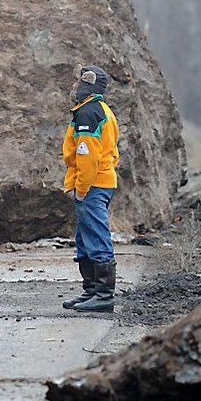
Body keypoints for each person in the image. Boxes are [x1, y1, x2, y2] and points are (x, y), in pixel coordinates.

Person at [61, 65, 120, 313]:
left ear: (88, 86)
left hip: (93, 185)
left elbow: (87, 157)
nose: (74, 87)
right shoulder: (101, 110)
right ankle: (92, 291)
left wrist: (82, 188)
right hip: (100, 182)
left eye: (79, 83)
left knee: (96, 236)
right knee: (85, 239)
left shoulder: (88, 113)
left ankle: (104, 295)